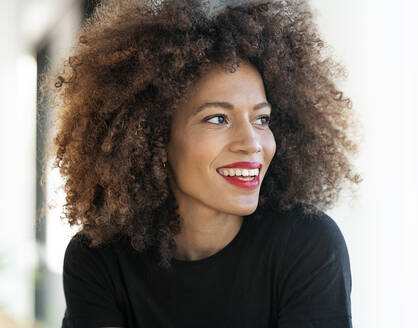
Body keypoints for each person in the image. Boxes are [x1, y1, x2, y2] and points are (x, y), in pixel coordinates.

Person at [42, 0, 362, 327]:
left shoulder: (306, 246)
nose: (252, 142)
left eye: (262, 119)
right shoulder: (100, 261)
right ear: (152, 135)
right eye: (217, 118)